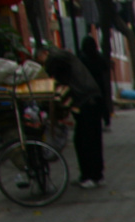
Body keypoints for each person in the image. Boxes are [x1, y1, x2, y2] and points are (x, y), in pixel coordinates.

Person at [36, 44, 106, 188]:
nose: (42, 63)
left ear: (44, 53)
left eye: (40, 59)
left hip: (87, 100)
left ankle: (91, 176)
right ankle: (92, 175)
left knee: (86, 140)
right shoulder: (64, 58)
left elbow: (53, 71)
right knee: (86, 139)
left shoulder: (57, 57)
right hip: (88, 99)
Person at [77, 33, 110, 128]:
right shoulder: (97, 56)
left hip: (87, 85)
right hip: (98, 83)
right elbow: (105, 67)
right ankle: (105, 118)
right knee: (102, 102)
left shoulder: (82, 57)